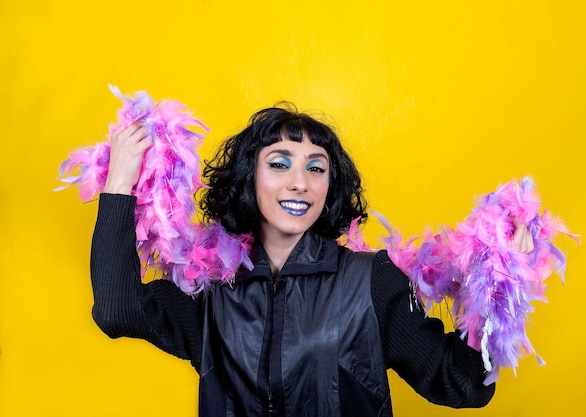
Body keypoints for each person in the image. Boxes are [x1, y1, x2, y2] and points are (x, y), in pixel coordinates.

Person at [91, 103, 527, 416]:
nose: (300, 182)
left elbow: (463, 384)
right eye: (279, 164)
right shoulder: (212, 291)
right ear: (250, 179)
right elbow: (117, 310)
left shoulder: (371, 281)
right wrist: (119, 185)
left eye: (316, 168)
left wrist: (499, 287)